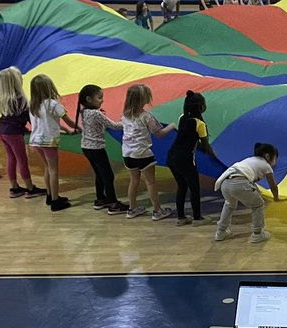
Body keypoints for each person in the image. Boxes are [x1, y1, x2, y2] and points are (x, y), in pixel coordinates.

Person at [120, 83, 176, 220]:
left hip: (128, 154)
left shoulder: (124, 115)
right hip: (143, 154)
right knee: (150, 182)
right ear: (142, 100)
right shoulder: (146, 116)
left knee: (133, 181)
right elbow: (159, 133)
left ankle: (132, 209)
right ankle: (157, 211)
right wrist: (172, 126)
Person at [168, 90, 219, 226]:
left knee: (182, 186)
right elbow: (205, 146)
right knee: (194, 188)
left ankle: (181, 218)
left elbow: (186, 139)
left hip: (172, 156)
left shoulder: (182, 118)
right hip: (185, 159)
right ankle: (197, 218)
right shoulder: (200, 124)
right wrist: (216, 157)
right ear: (201, 107)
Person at [73, 84, 127, 213]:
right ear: (89, 99)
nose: (102, 100)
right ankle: (113, 203)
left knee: (100, 174)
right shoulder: (95, 113)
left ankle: (101, 199)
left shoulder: (84, 111)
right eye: (99, 97)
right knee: (108, 175)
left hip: (86, 147)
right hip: (96, 148)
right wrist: (128, 122)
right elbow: (113, 125)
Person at [28, 74, 79, 210]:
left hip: (36, 141)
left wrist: (65, 130)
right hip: (49, 142)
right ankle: (56, 202)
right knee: (53, 170)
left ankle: (50, 195)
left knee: (47, 168)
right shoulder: (53, 104)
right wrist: (77, 128)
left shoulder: (33, 105)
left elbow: (49, 122)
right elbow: (67, 120)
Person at [214, 143, 280, 244]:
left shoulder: (250, 160)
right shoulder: (266, 165)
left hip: (225, 183)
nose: (275, 162)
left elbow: (251, 182)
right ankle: (258, 234)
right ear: (267, 156)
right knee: (258, 205)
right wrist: (276, 197)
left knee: (229, 204)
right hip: (239, 183)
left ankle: (220, 232)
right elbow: (273, 186)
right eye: (275, 158)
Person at [0, 67, 43, 199]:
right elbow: (30, 118)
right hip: (14, 134)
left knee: (11, 158)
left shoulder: (3, 98)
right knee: (22, 159)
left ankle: (14, 187)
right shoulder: (20, 99)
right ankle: (30, 188)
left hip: (3, 131)